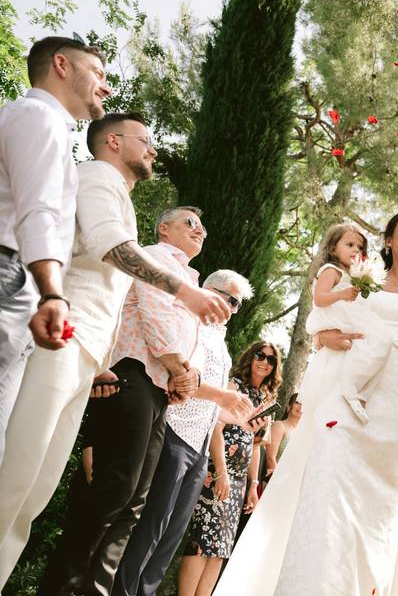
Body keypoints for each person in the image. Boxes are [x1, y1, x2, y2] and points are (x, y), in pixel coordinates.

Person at [0, 114, 229, 590]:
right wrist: (174, 352)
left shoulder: (121, 201)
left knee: (42, 492)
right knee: (24, 476)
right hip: (73, 343)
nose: (152, 148)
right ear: (112, 140)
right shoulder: (98, 179)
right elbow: (124, 271)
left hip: (96, 362)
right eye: (145, 139)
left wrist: (108, 366)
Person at [214, 210, 398, 595]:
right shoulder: (364, 277)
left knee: (383, 498)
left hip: (396, 396)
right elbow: (325, 314)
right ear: (388, 239)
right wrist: (323, 337)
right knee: (331, 479)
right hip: (346, 390)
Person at [37, 204, 228, 595]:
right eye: (191, 223)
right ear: (164, 228)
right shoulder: (155, 259)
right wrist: (181, 370)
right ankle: (61, 587)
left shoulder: (186, 275)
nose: (200, 231)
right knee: (114, 490)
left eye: (204, 227)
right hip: (132, 377)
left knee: (134, 503)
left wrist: (183, 376)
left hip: (159, 392)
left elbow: (189, 341)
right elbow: (157, 320)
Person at [113, 269, 262, 596]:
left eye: (238, 304)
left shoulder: (220, 340)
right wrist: (222, 396)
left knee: (170, 537)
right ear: (210, 290)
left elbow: (213, 404)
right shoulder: (189, 325)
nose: (234, 309)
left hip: (200, 446)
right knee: (150, 526)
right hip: (175, 433)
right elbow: (178, 380)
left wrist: (239, 416)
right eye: (231, 300)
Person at [0, 35, 109, 465]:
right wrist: (51, 292)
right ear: (61, 64)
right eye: (98, 73)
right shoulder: (40, 119)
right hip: (10, 278)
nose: (106, 86)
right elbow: (38, 212)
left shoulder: (26, 119)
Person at [178, 341, 282, 596]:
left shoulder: (266, 399)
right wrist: (222, 473)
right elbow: (215, 427)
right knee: (202, 543)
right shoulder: (234, 386)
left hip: (238, 483)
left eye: (271, 360)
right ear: (251, 357)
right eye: (260, 355)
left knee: (220, 549)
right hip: (217, 472)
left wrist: (253, 487)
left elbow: (256, 445)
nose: (264, 362)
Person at [305, 221, 393, 424]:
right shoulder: (331, 270)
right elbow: (319, 299)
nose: (356, 250)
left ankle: (358, 392)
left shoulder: (351, 275)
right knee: (380, 340)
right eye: (349, 244)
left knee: (382, 342)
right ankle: (351, 388)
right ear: (333, 248)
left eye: (360, 247)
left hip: (349, 316)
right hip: (337, 317)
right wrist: (344, 294)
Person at [264, 393, 301, 480]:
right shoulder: (279, 426)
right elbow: (270, 458)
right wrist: (277, 483)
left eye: (303, 404)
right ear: (289, 406)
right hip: (277, 481)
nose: (300, 407)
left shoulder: (303, 432)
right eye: (297, 402)